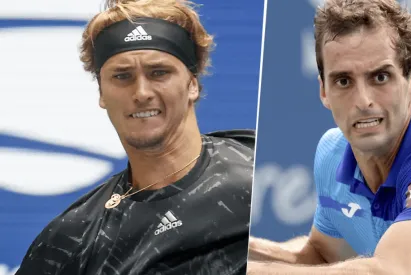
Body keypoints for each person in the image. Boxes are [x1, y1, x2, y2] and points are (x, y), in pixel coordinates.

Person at [247, 0, 411, 274]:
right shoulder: (332, 152)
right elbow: (321, 255)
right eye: (343, 81)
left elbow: (390, 272)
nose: (363, 101)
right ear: (324, 91)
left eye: (380, 77)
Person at [15, 0, 255, 274]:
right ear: (102, 94)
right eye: (122, 76)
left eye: (159, 72)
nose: (141, 93)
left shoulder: (261, 163)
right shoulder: (70, 241)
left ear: (192, 84)